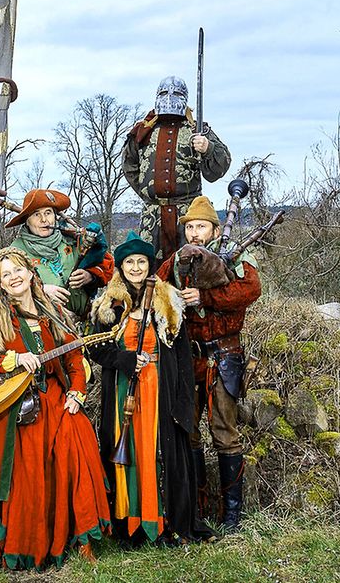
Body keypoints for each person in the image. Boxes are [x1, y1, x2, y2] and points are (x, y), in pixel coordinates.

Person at [0, 247, 111, 569]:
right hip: (19, 408)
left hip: (57, 398)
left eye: (18, 270)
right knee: (29, 470)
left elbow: (73, 357)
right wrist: (13, 359)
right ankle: (30, 545)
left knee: (80, 440)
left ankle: (82, 538)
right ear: (1, 283)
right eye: (6, 274)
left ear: (31, 273)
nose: (14, 277)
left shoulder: (53, 310)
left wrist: (76, 392)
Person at [87, 231, 214, 545]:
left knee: (158, 452)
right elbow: (96, 349)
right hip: (123, 394)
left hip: (160, 390)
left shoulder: (168, 299)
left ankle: (162, 522)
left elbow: (182, 354)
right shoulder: (109, 302)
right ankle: (131, 525)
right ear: (120, 266)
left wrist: (183, 400)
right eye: (129, 262)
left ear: (149, 264)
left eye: (141, 261)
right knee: (129, 452)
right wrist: (125, 360)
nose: (135, 267)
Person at [156, 196, 261, 530]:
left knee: (224, 432)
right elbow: (156, 287)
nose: (194, 233)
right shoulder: (177, 260)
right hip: (189, 358)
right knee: (189, 431)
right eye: (189, 227)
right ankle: (195, 507)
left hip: (223, 356)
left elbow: (250, 291)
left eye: (200, 226)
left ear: (215, 229)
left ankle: (231, 516)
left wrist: (205, 297)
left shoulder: (235, 257)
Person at [123, 75, 231, 263]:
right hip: (152, 217)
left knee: (192, 265)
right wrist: (146, 192)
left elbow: (220, 166)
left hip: (188, 216)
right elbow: (129, 164)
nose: (170, 97)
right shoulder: (143, 130)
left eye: (176, 93)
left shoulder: (197, 129)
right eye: (164, 93)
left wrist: (208, 148)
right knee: (148, 268)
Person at [6, 188, 114, 319]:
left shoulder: (72, 240)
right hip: (46, 327)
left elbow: (107, 265)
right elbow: (6, 290)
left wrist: (90, 275)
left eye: (48, 213)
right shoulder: (15, 253)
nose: (44, 220)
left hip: (85, 323)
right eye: (36, 214)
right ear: (27, 221)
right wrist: (40, 290)